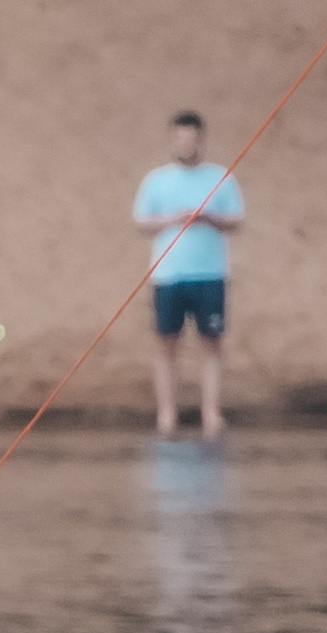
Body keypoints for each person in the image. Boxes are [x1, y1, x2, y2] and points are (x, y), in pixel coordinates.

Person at [132, 111, 243, 439]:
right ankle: (167, 413)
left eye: (192, 138)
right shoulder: (156, 180)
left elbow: (236, 220)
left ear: (201, 140)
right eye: (180, 138)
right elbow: (141, 222)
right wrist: (173, 219)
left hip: (210, 273)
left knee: (212, 343)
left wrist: (208, 218)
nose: (186, 144)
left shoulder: (221, 177)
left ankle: (211, 413)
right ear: (172, 140)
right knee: (166, 344)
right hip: (168, 275)